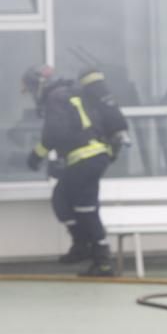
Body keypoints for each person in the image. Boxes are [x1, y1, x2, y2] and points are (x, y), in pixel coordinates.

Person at [23, 63, 127, 276]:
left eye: (32, 89)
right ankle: (81, 246)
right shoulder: (74, 94)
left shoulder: (55, 98)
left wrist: (36, 155)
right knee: (61, 199)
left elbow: (54, 133)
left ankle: (103, 261)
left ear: (40, 85)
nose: (33, 95)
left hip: (86, 158)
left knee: (86, 210)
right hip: (91, 157)